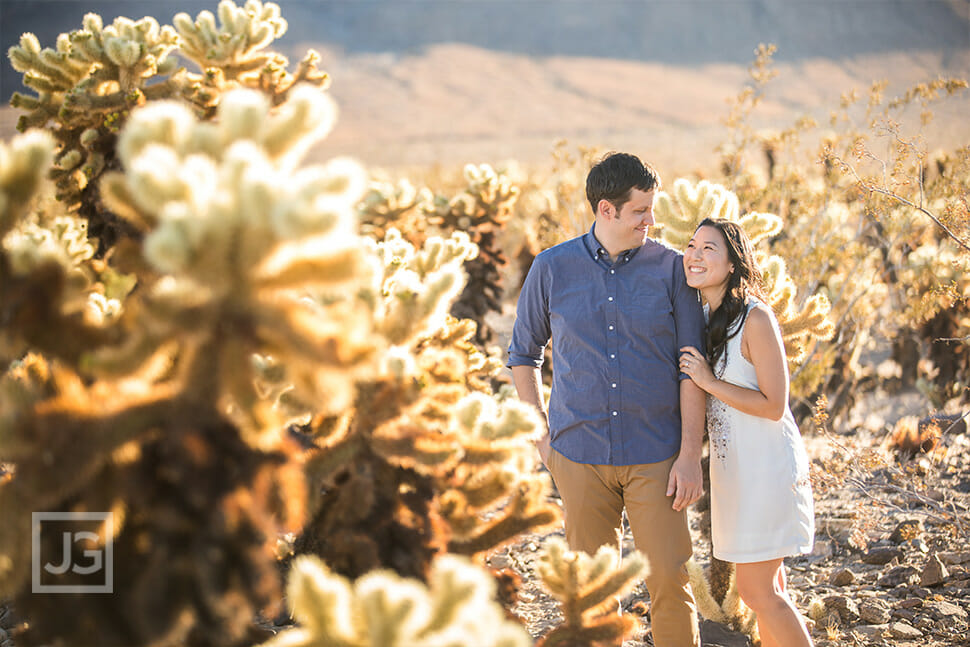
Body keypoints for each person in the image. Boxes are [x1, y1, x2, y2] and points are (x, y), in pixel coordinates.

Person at [508, 152, 706, 647]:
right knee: (590, 592)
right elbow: (522, 355)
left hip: (657, 457)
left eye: (651, 210)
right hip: (578, 455)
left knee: (668, 579)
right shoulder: (552, 268)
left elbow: (692, 368)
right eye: (641, 211)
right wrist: (542, 440)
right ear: (606, 210)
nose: (651, 221)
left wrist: (688, 455)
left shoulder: (671, 270)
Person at [678, 217, 815, 647]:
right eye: (691, 246)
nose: (695, 256)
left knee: (758, 593)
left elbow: (775, 406)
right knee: (768, 592)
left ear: (734, 263)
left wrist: (708, 381)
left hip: (767, 469)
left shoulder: (755, 319)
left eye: (709, 249)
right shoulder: (703, 317)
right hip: (735, 474)